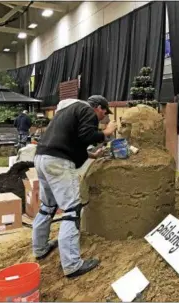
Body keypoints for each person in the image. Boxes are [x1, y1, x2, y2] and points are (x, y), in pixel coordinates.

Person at [32, 95, 117, 278]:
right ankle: (72, 265)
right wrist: (106, 132)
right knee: (72, 210)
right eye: (104, 112)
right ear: (98, 107)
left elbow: (73, 140)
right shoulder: (86, 109)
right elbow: (86, 136)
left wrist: (91, 155)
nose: (103, 117)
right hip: (58, 162)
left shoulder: (66, 111)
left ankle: (40, 249)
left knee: (47, 206)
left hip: (42, 158)